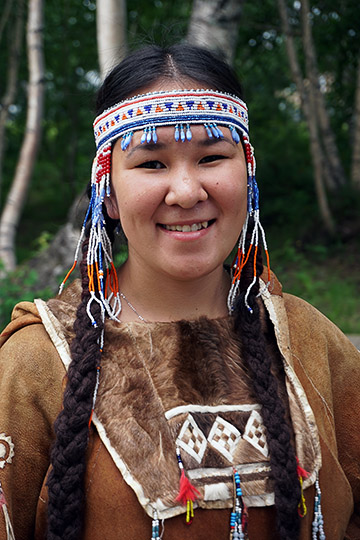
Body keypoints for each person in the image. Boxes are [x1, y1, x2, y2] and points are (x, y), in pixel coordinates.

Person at [0, 44, 359, 540]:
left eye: (212, 156)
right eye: (152, 164)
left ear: (248, 172)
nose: (187, 191)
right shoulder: (36, 362)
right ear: (106, 190)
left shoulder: (308, 338)